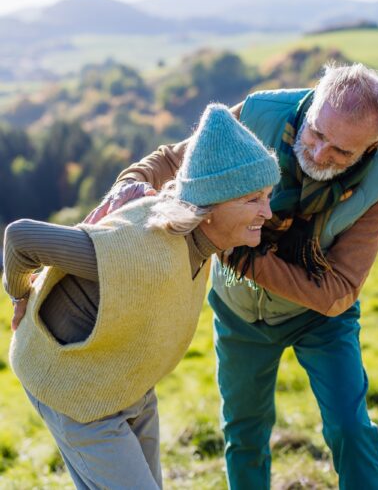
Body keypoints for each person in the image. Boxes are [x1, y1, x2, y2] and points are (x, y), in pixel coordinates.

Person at [88, 62, 378, 490]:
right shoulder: (260, 114)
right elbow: (172, 159)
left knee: (351, 428)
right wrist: (124, 188)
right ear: (312, 103)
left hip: (321, 319)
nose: (319, 155)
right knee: (244, 432)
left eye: (341, 152)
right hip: (240, 312)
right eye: (317, 134)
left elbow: (338, 293)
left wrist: (244, 257)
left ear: (369, 148)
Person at [2, 104, 281, 490]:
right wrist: (19, 296)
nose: (267, 211)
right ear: (210, 208)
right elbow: (21, 238)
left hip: (128, 386)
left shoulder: (201, 246)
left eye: (267, 196)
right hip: (75, 392)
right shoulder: (139, 251)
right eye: (253, 199)